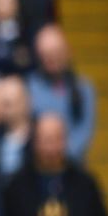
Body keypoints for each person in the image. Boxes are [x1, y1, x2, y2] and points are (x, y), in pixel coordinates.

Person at [2, 114, 108, 216]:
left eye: (57, 139)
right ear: (35, 142)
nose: (51, 148)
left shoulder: (85, 183)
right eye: (46, 140)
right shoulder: (17, 185)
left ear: (66, 141)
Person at [27, 24, 96, 161]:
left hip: (72, 165)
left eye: (55, 53)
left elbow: (85, 130)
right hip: (36, 163)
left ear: (67, 52)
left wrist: (60, 155)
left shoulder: (83, 88)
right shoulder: (30, 86)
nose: (51, 59)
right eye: (46, 55)